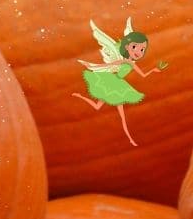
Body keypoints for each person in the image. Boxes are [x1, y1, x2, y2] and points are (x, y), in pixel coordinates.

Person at [72, 19, 168, 147]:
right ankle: (80, 97)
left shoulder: (132, 64)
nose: (138, 52)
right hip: (112, 82)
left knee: (117, 113)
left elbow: (143, 75)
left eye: (142, 50)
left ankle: (129, 138)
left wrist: (154, 70)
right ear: (127, 47)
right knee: (103, 108)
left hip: (119, 85)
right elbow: (110, 64)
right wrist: (92, 66)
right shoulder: (125, 62)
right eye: (135, 47)